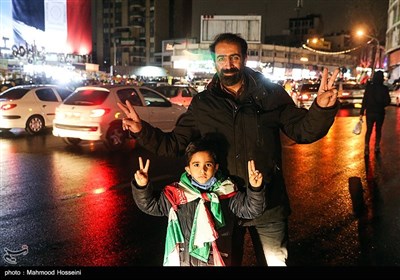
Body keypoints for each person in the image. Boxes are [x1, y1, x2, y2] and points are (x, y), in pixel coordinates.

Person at [118, 32, 340, 266]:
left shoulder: (270, 94)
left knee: (276, 263)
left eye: (234, 57)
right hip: (221, 205)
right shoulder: (203, 103)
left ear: (244, 58)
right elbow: (174, 144)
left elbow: (302, 131)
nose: (228, 64)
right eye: (221, 58)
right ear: (214, 61)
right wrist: (141, 130)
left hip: (268, 202)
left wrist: (321, 109)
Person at [131, 137, 266, 266]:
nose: (202, 170)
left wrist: (255, 188)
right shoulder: (177, 194)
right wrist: (142, 187)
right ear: (188, 169)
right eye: (196, 165)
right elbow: (152, 206)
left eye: (208, 164)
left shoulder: (227, 192)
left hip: (217, 258)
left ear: (216, 167)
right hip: (185, 261)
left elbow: (251, 209)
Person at [360, 70, 391, 156]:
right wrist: (382, 104)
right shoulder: (384, 88)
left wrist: (362, 112)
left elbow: (365, 100)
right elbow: (388, 101)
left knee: (369, 130)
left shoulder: (369, 88)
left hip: (370, 112)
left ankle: (366, 147)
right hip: (380, 112)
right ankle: (377, 146)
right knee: (378, 130)